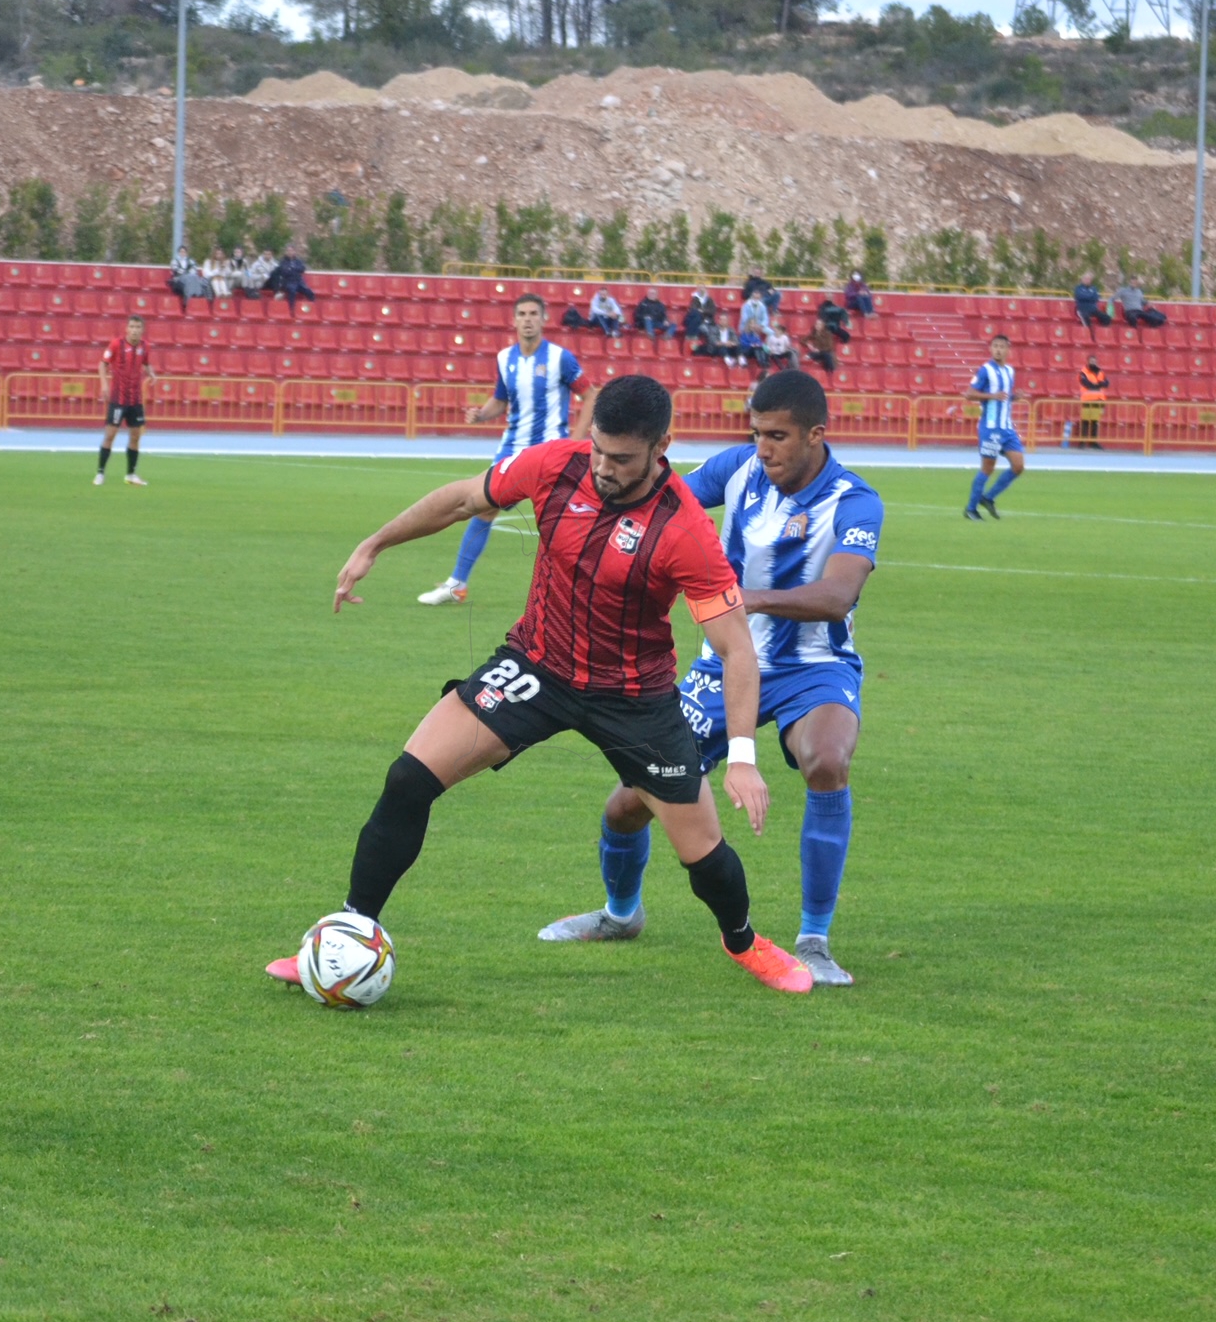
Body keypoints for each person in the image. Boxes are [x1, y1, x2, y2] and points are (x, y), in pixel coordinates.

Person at [265, 373, 809, 996]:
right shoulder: (556, 465)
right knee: (408, 779)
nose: (603, 467)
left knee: (702, 851)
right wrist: (374, 544)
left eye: (621, 458)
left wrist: (743, 758)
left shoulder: (683, 529)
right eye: (598, 449)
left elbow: (737, 650)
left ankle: (744, 942)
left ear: (662, 447)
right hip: (538, 666)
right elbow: (463, 499)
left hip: (634, 696)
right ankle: (348, 935)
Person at [539, 371, 879, 986]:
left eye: (777, 436)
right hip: (723, 666)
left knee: (827, 760)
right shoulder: (737, 468)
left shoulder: (855, 501)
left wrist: (743, 598)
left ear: (815, 434)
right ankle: (621, 914)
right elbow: (659, 500)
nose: (763, 449)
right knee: (627, 805)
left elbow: (837, 596)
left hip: (814, 667)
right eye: (757, 434)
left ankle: (815, 940)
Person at [418, 293, 589, 606]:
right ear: (514, 320)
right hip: (511, 450)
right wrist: (481, 414)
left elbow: (590, 395)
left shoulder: (560, 358)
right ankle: (457, 585)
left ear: (543, 319)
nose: (527, 319)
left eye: (533, 313)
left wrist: (576, 442)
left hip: (551, 451)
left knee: (561, 519)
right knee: (483, 508)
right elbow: (501, 399)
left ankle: (580, 592)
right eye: (522, 314)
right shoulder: (504, 358)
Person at [963, 334, 1023, 520]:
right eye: (995, 346)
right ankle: (971, 509)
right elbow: (969, 394)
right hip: (991, 428)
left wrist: (1013, 397)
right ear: (990, 349)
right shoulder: (985, 370)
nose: (998, 349)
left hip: (1007, 428)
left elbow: (1003, 397)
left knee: (1018, 466)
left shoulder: (1010, 371)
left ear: (1008, 350)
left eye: (1002, 346)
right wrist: (992, 396)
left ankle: (988, 498)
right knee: (987, 468)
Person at [95, 315, 152, 486]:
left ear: (142, 330)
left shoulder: (145, 346)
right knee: (110, 435)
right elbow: (102, 364)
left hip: (136, 399)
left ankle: (130, 474)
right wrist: (104, 384)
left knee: (135, 437)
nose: (134, 330)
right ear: (127, 329)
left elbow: (146, 363)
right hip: (118, 399)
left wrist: (152, 373)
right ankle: (100, 473)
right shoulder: (116, 344)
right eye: (132, 327)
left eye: (138, 327)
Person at [1072, 357, 1109, 449]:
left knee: (1095, 422)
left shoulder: (1100, 372)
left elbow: (1107, 383)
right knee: (1085, 421)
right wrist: (1099, 384)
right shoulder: (1083, 372)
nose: (1093, 363)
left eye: (1094, 361)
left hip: (1098, 400)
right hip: (1087, 400)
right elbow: (1086, 384)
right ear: (1088, 362)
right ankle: (1082, 442)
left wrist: (1096, 384)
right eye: (1091, 361)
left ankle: (1093, 442)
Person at [167, 246, 207, 311]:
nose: (182, 253)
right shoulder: (175, 261)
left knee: (195, 277)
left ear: (186, 253)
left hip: (189, 277)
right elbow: (176, 270)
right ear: (178, 253)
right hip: (179, 279)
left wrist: (187, 273)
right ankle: (189, 300)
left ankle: (196, 296)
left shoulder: (190, 260)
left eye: (184, 252)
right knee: (189, 278)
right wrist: (187, 272)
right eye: (181, 252)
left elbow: (194, 269)